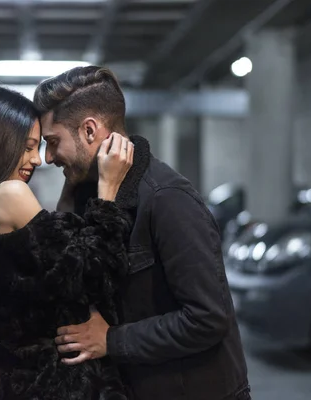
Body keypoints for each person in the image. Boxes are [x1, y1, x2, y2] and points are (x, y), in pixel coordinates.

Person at [33, 66, 251, 400]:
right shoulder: (90, 195)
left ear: (89, 131)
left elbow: (208, 318)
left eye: (52, 142)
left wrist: (111, 340)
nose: (47, 158)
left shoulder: (167, 199)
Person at [0, 85, 136, 399]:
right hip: (56, 385)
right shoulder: (9, 194)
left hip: (13, 378)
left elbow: (50, 262)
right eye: (27, 147)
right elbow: (95, 273)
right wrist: (107, 192)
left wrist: (68, 195)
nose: (37, 159)